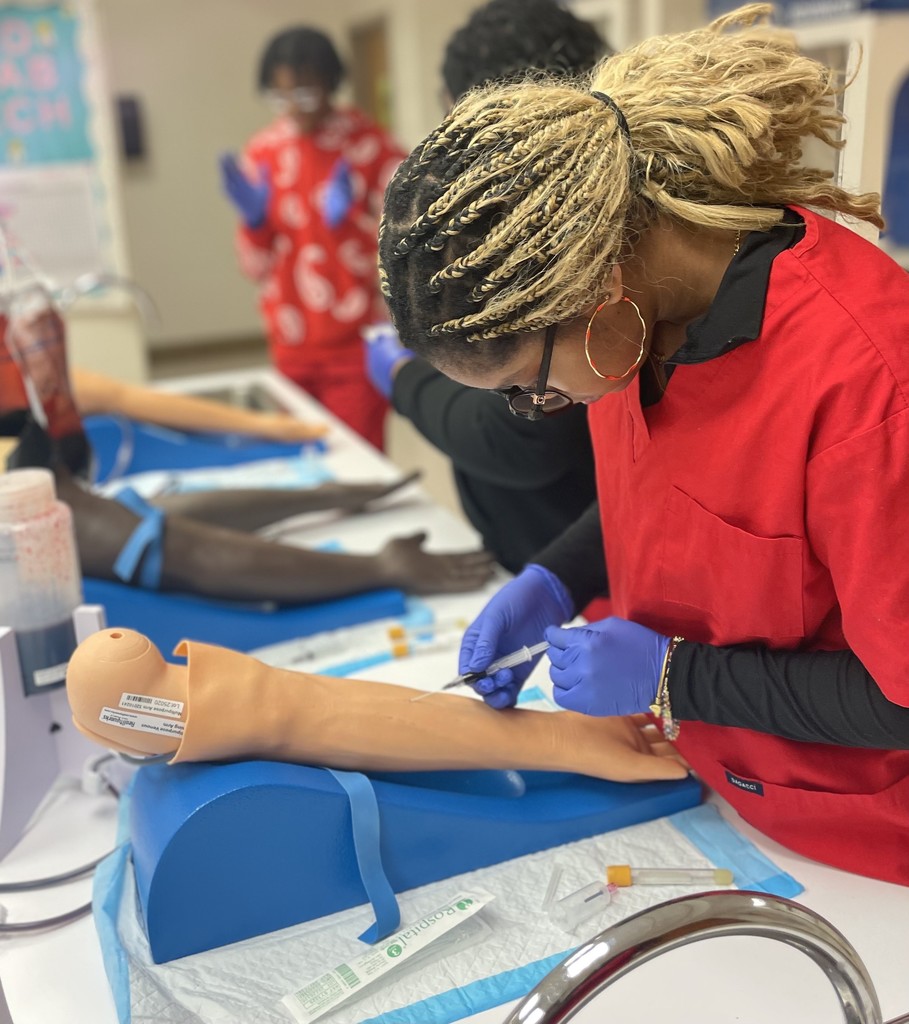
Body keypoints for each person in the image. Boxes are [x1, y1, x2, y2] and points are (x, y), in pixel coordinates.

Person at [378, 4, 909, 886]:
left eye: (527, 386)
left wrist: (675, 679)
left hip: (856, 846)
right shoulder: (631, 324)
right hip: (706, 785)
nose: (533, 407)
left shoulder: (864, 383)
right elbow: (680, 495)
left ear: (599, 287)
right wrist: (557, 576)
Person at [365, 0, 606, 574]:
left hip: (576, 550)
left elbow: (523, 442)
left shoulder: (570, 253)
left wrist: (407, 381)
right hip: (571, 553)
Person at [220, 27, 405, 450]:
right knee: (304, 458)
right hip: (291, 343)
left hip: (358, 344)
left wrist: (352, 223)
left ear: (329, 84)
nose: (293, 109)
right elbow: (253, 268)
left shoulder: (372, 147)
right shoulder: (263, 152)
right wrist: (254, 224)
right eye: (280, 96)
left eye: (305, 94)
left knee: (357, 461)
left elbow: (407, 249)